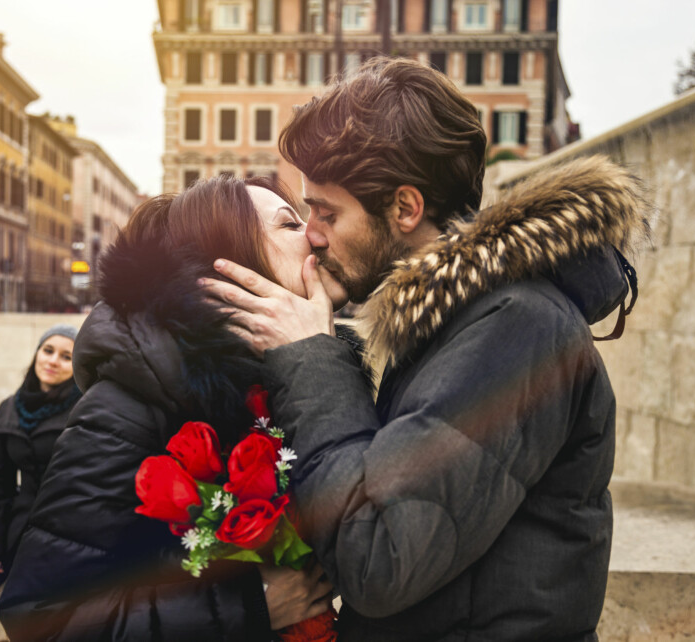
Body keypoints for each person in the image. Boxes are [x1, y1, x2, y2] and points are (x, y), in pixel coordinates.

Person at [203, 57, 652, 640]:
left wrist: (310, 355)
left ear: (406, 209)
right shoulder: (455, 320)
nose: (313, 233)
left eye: (327, 212)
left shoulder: (516, 326)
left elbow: (379, 560)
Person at [0, 175, 343, 640]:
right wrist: (247, 607)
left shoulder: (304, 377)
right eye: (290, 224)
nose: (316, 234)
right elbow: (38, 616)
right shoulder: (130, 402)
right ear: (232, 265)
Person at [0, 324, 82, 599]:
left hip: (71, 528)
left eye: (66, 357)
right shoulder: (10, 407)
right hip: (21, 526)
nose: (53, 361)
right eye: (48, 351)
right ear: (37, 353)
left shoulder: (86, 408)